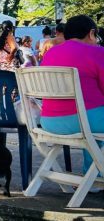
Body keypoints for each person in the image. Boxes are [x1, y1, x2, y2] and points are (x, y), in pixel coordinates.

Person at [39, 15, 104, 177]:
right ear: (91, 33)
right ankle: (95, 176)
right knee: (94, 123)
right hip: (86, 122)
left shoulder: (50, 54)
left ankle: (94, 177)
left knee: (94, 133)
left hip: (49, 122)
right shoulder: (97, 52)